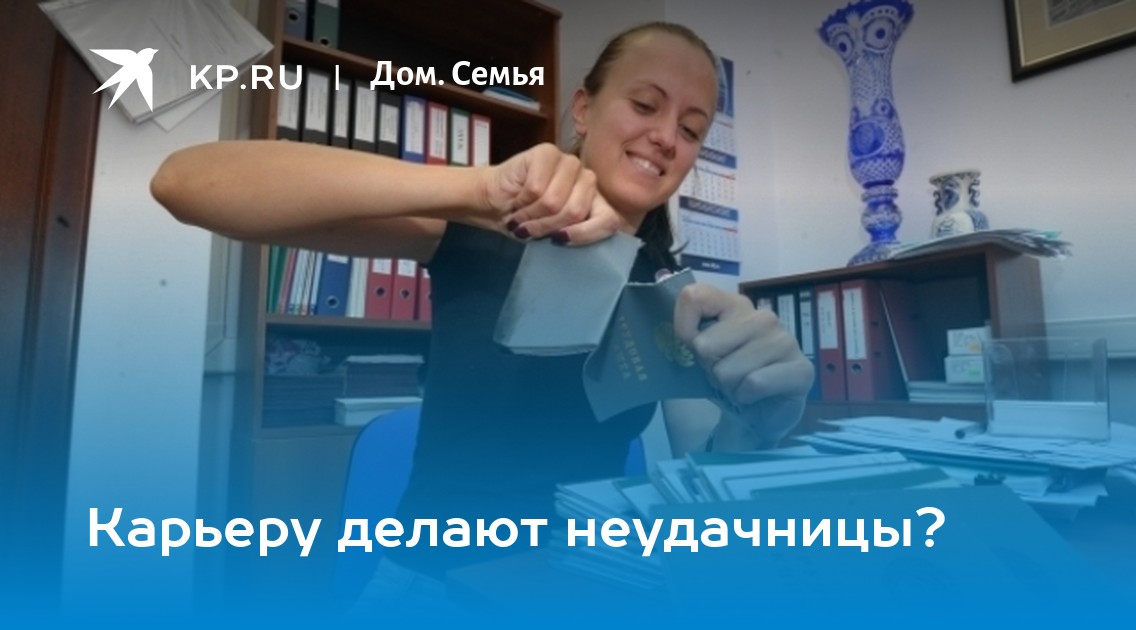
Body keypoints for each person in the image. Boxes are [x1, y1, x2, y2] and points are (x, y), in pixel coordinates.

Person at [152, 21, 812, 600]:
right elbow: (185, 183)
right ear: (583, 108)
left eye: (691, 129)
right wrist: (475, 190)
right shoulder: (490, 221)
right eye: (645, 104)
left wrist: (758, 421)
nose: (666, 137)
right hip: (434, 587)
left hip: (579, 589)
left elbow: (704, 473)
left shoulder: (670, 289)